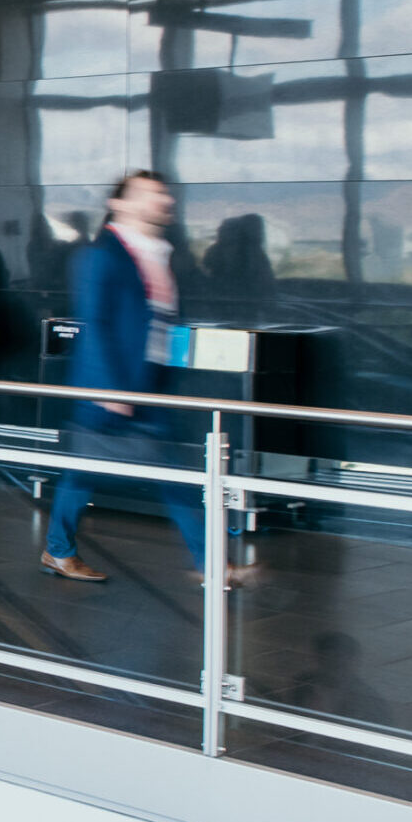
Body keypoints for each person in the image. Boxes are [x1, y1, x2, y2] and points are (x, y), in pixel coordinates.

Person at [41, 171, 253, 586]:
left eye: (165, 194)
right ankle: (214, 566)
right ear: (120, 204)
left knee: (89, 473)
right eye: (151, 194)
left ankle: (59, 550)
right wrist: (110, 388)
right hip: (114, 390)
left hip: (147, 386)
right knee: (171, 479)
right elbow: (95, 322)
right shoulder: (102, 254)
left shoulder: (157, 252)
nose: (164, 201)